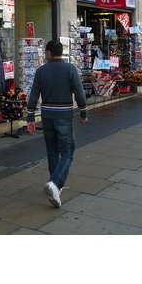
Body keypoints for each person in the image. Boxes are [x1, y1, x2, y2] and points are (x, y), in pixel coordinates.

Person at [26, 40, 88, 208]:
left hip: (47, 115)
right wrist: (83, 111)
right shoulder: (70, 69)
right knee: (67, 151)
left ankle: (54, 184)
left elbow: (33, 96)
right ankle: (55, 183)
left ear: (49, 53)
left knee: (52, 150)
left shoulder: (41, 71)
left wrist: (30, 117)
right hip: (64, 114)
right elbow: (79, 93)